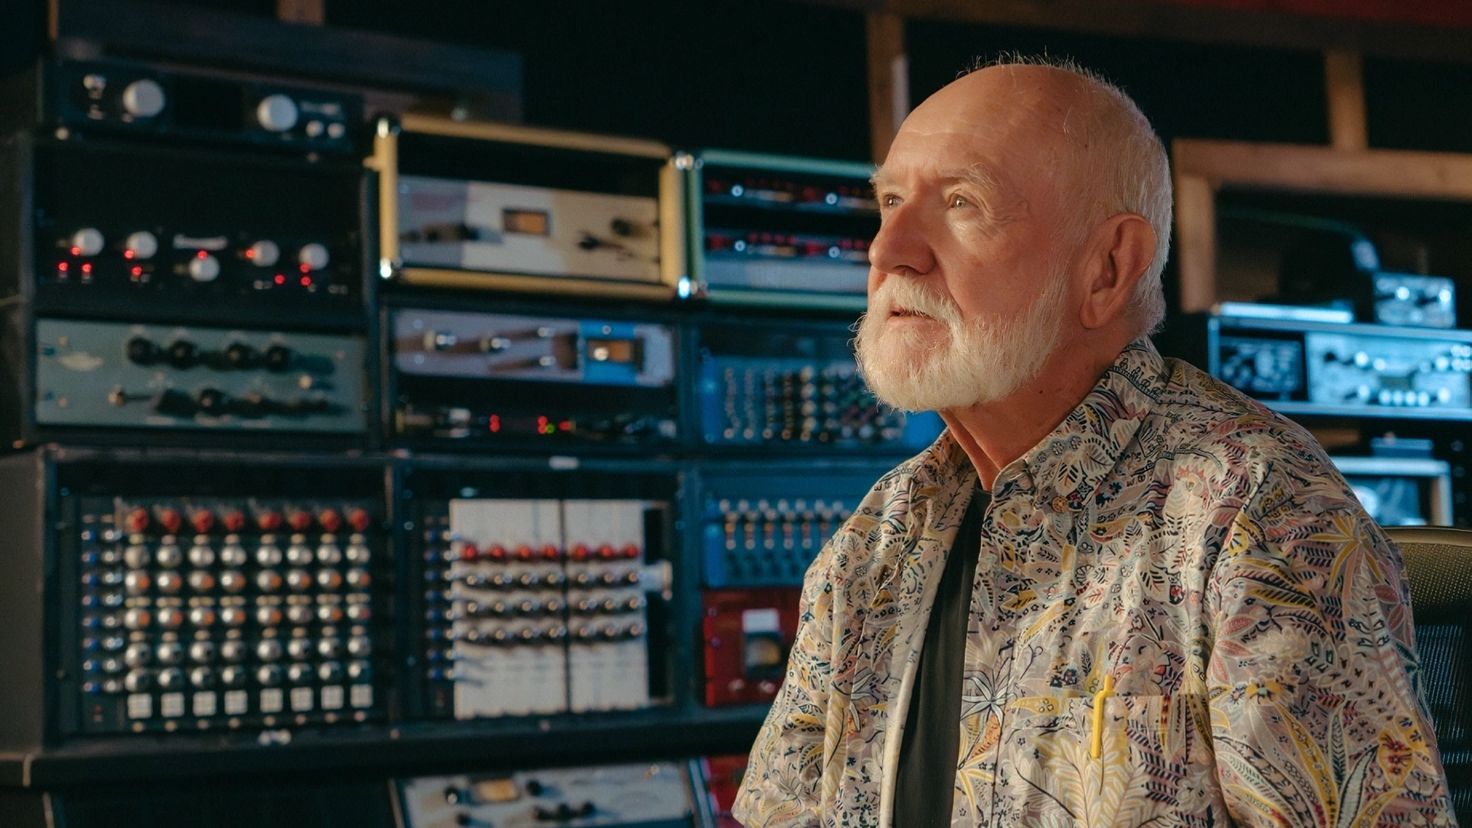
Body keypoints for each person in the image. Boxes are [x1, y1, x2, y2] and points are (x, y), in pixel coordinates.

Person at [732, 57, 1455, 827]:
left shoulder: (1260, 511)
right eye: (889, 202)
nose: (888, 251)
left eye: (962, 203)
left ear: (1109, 268)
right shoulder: (877, 538)